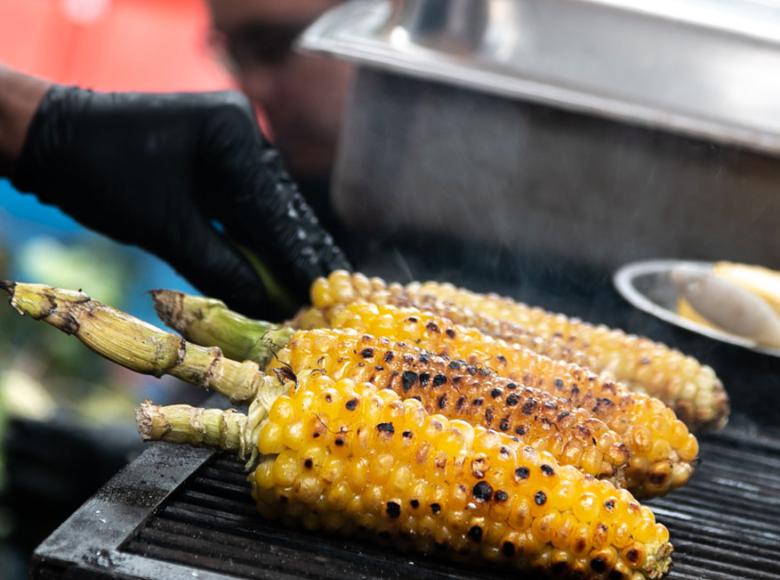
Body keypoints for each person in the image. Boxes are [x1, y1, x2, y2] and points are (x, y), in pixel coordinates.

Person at [0, 0, 352, 319]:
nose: (251, 86)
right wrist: (48, 127)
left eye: (271, 46)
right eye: (232, 55)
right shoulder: (238, 202)